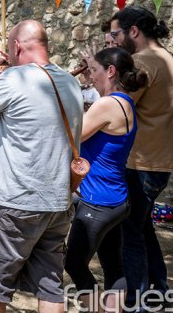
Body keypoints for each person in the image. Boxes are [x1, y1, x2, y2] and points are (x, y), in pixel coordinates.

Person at [0, 20, 83, 313]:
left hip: (10, 204)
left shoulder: (13, 80)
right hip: (57, 202)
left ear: (15, 47)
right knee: (50, 286)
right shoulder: (70, 81)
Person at [103, 6, 173, 305]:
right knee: (143, 228)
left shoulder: (142, 61)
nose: (112, 40)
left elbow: (116, 106)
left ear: (132, 31)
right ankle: (159, 292)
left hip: (143, 162)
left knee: (129, 234)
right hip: (158, 160)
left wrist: (102, 73)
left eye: (115, 34)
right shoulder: (164, 56)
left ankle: (135, 302)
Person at [64, 47, 147, 312]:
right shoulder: (125, 101)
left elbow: (71, 138)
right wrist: (90, 64)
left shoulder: (106, 105)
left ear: (111, 71)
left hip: (97, 203)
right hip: (117, 201)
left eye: (94, 71)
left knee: (74, 264)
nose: (90, 77)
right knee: (113, 266)